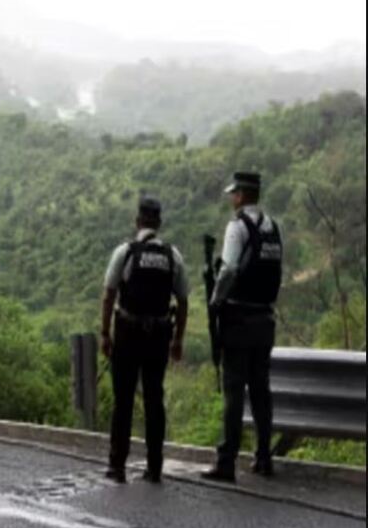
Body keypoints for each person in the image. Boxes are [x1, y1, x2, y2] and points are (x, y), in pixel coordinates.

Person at [100, 196, 188, 484]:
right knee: (154, 400)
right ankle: (154, 468)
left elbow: (109, 294)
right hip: (159, 336)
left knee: (123, 401)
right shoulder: (172, 256)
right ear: (158, 224)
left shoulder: (125, 252)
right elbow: (184, 301)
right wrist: (177, 341)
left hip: (127, 333)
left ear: (137, 222)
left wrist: (105, 334)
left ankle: (117, 466)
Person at [202, 172, 283, 483]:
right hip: (265, 320)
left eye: (233, 193)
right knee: (261, 390)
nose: (231, 198)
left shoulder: (237, 228)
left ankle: (227, 462)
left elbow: (229, 270)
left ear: (241, 195)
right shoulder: (272, 227)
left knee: (234, 392)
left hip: (238, 321)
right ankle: (264, 457)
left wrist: (214, 301)